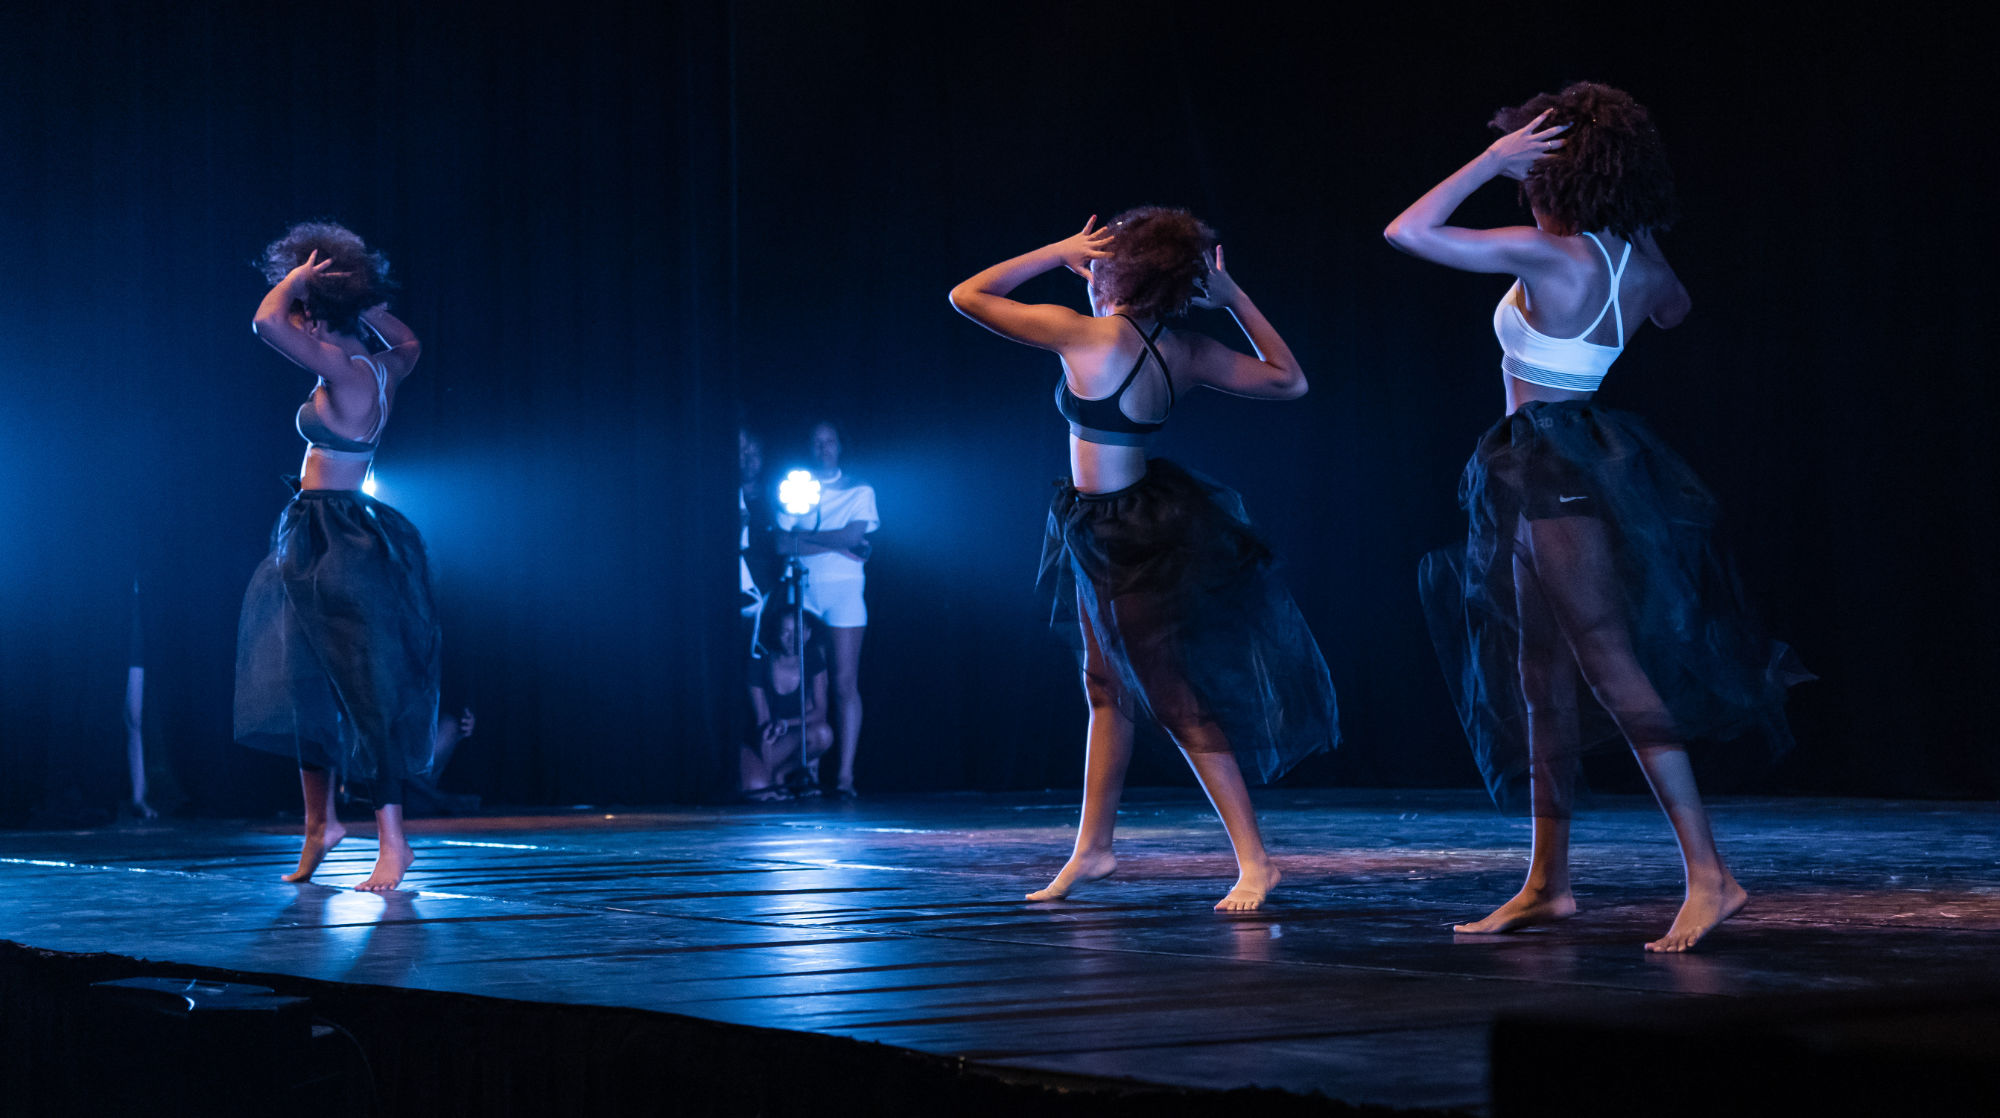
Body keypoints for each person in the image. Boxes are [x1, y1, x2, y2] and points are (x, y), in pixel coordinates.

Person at [1386, 83, 1811, 951]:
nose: (1521, 188)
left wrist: (1487, 159)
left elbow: (1408, 231)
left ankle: (1710, 875)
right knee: (1539, 672)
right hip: (1562, 456)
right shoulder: (1634, 257)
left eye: (1530, 171)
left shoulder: (1555, 259)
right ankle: (1548, 883)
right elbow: (1673, 308)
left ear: (1561, 175)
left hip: (1549, 463)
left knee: (1611, 669)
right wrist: (1629, 266)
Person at [950, 207, 1339, 912]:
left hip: (1126, 535)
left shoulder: (1087, 335)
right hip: (1102, 522)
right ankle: (1092, 850)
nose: (1087, 268)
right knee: (1105, 687)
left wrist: (1056, 246)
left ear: (1116, 272)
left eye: (1098, 259)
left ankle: (1256, 861)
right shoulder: (1180, 348)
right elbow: (1289, 379)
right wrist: (1233, 300)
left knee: (1171, 696)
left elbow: (968, 296)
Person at [234, 221, 442, 892]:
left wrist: (301, 281)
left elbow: (266, 324)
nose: (304, 327)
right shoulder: (385, 363)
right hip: (319, 530)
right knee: (306, 679)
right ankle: (320, 824)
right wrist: (367, 305)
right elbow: (409, 340)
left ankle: (393, 839)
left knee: (362, 683)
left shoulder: (348, 370)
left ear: (322, 316)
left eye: (311, 317)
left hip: (338, 536)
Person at [773, 421, 876, 798]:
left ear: (839, 446)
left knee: (844, 683)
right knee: (804, 681)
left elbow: (855, 536)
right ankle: (806, 771)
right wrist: (840, 543)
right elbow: (783, 544)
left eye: (829, 440)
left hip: (844, 592)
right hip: (802, 589)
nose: (823, 447)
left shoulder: (859, 490)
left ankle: (845, 776)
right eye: (816, 442)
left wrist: (807, 538)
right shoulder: (795, 489)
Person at [741, 608, 834, 801]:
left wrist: (785, 723)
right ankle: (768, 779)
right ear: (777, 633)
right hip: (759, 742)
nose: (793, 639)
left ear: (808, 633)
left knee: (823, 734)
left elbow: (820, 712)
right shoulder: (759, 662)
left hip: (790, 736)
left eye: (799, 632)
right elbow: (762, 722)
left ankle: (782, 774)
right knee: (758, 789)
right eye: (786, 632)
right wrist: (774, 727)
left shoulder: (813, 659)